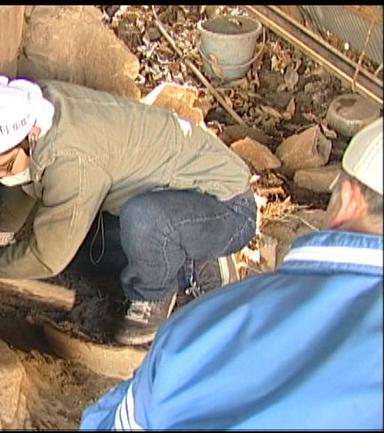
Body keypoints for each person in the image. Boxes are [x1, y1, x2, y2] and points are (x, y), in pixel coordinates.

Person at [80, 117, 383, 429]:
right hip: (203, 211)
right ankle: (198, 258)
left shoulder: (211, 325)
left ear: (347, 198)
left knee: (137, 222)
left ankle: (168, 287)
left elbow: (118, 423)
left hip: (225, 214)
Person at [0, 74, 257, 345]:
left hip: (225, 208)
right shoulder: (37, 107)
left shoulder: (72, 159)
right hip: (172, 197)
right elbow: (27, 176)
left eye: (2, 165)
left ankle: (159, 295)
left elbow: (46, 258)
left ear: (30, 136)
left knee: (143, 221)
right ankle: (187, 256)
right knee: (86, 253)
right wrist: (1, 234)